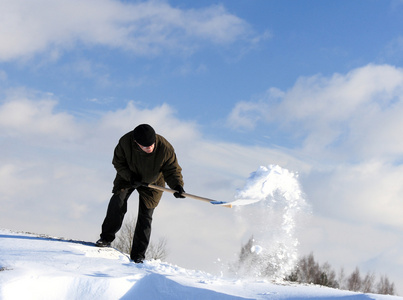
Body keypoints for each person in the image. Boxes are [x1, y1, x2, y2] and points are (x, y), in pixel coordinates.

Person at [96, 124, 185, 263]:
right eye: (145, 146)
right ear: (136, 143)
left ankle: (138, 255)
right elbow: (118, 162)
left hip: (153, 182)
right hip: (128, 177)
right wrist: (130, 177)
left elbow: (172, 169)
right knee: (118, 201)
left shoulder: (165, 148)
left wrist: (177, 186)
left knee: (146, 216)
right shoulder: (125, 142)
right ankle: (106, 238)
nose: (150, 148)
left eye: (151, 145)